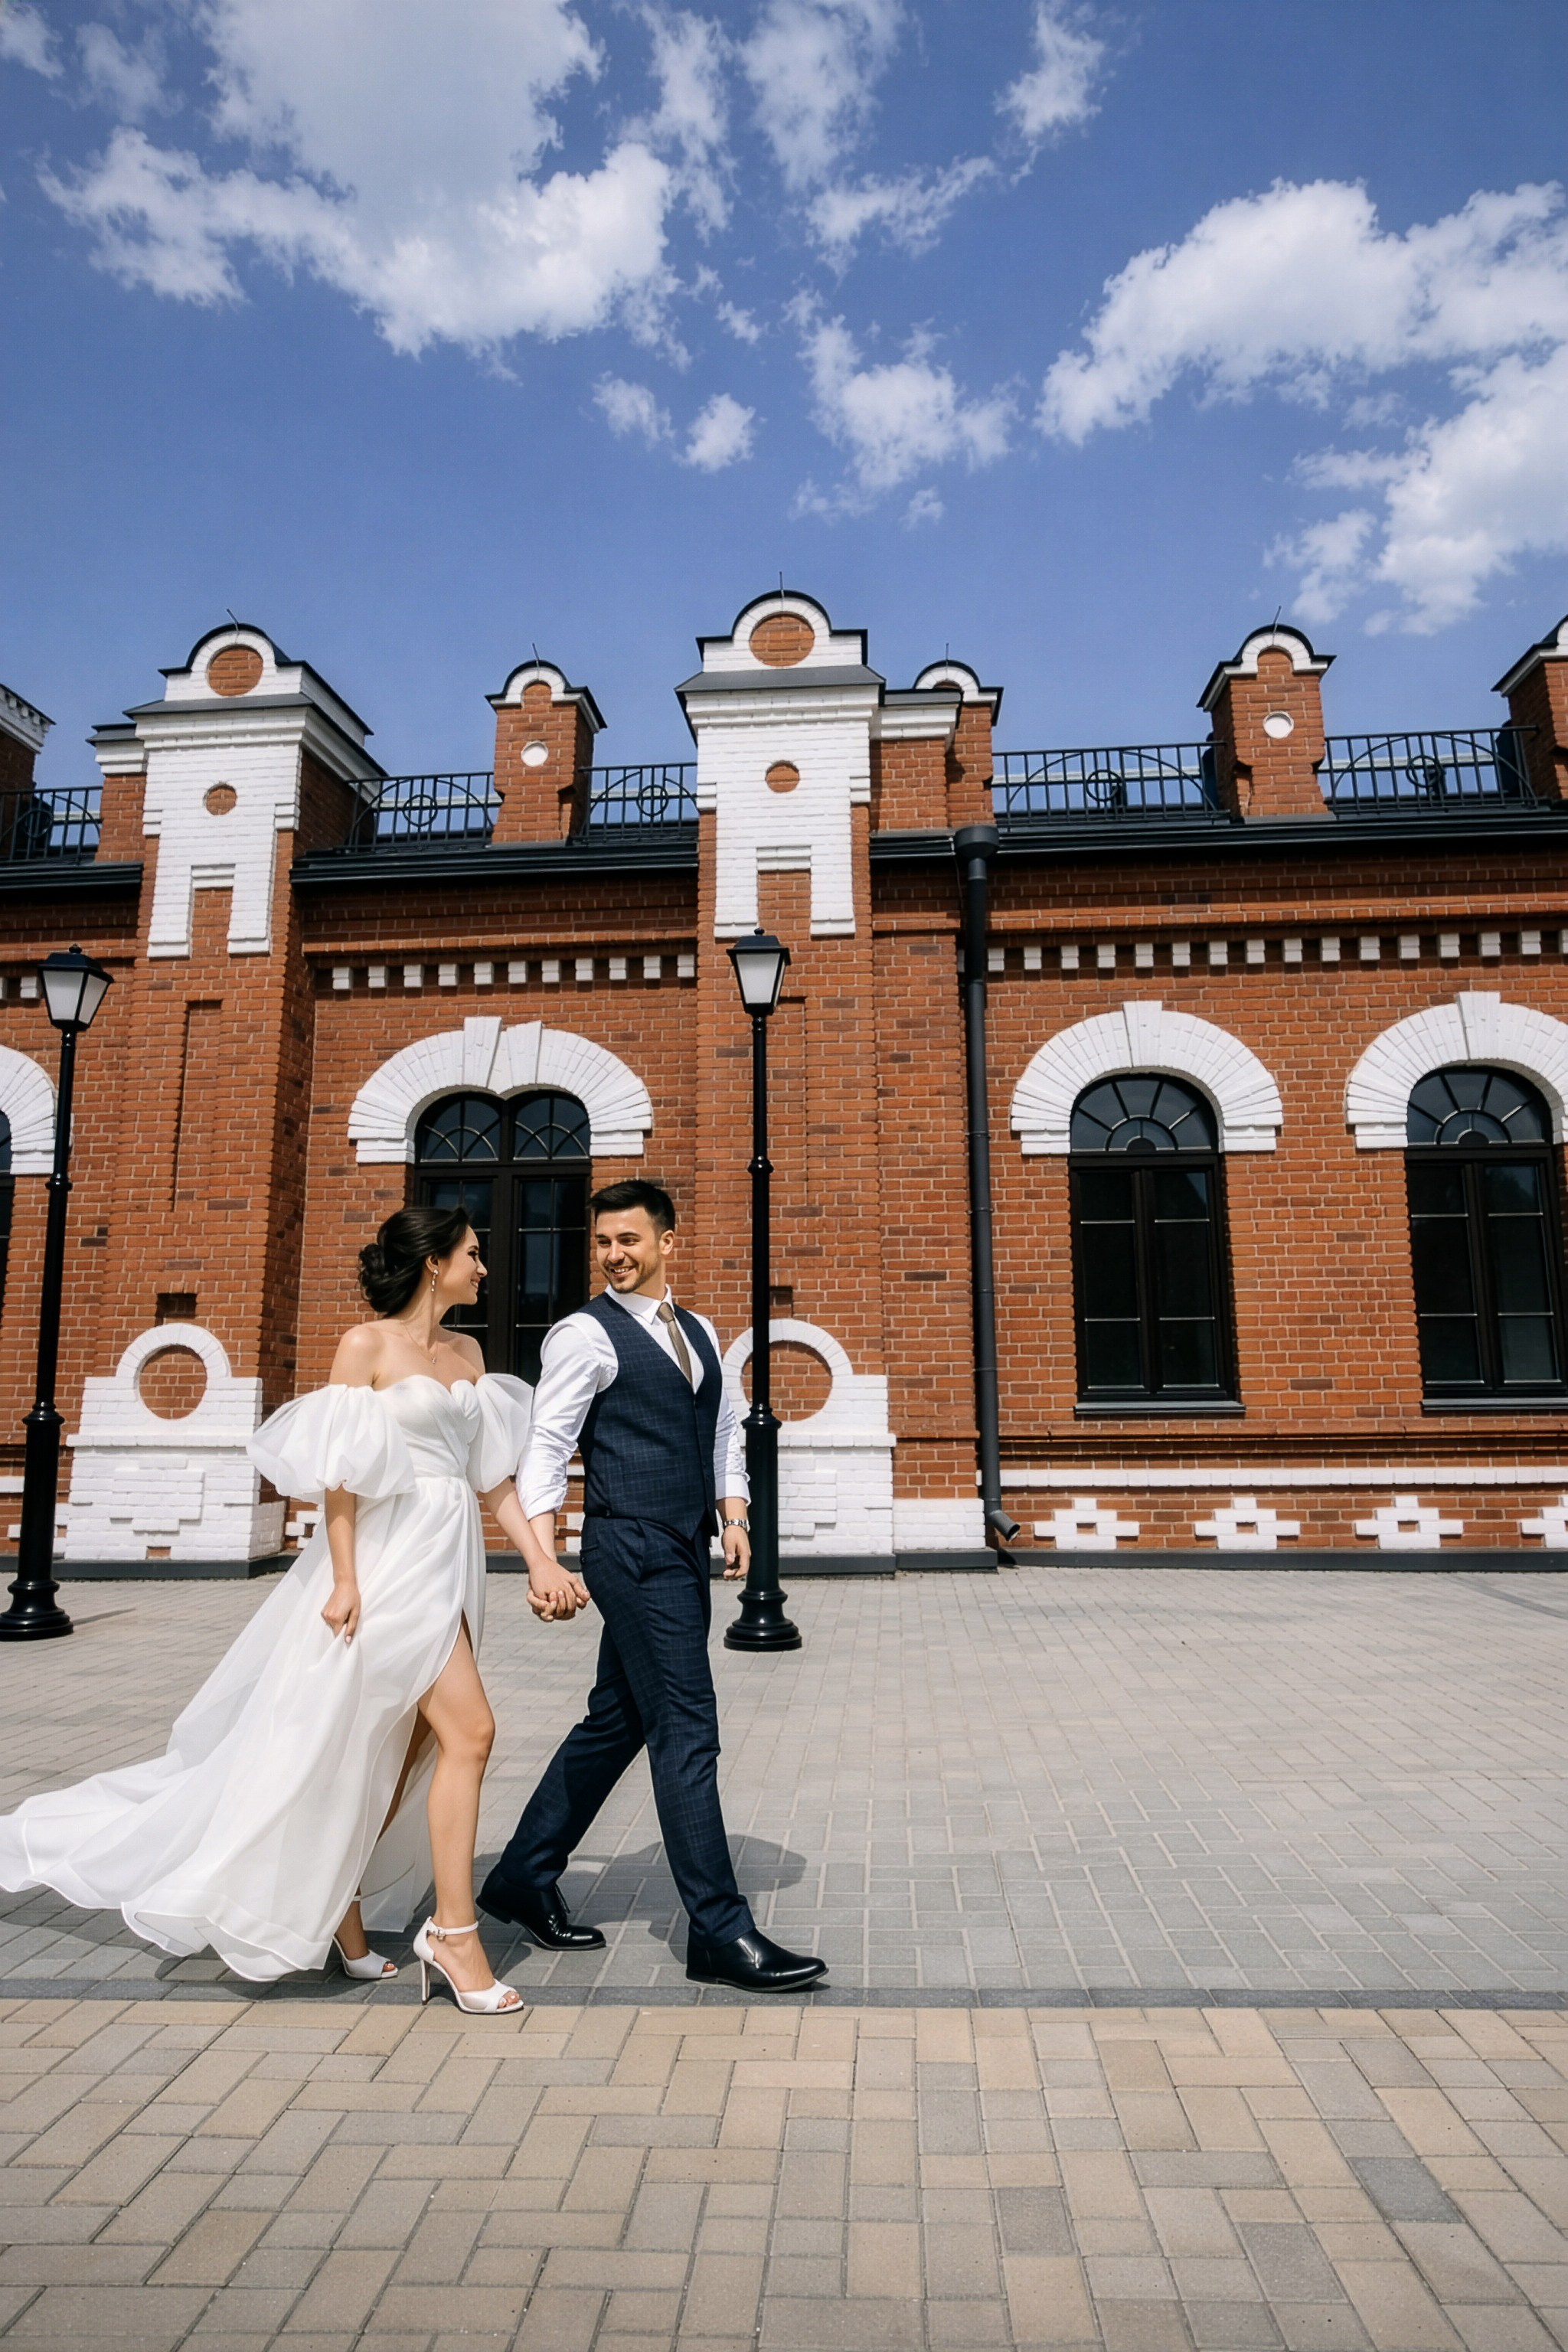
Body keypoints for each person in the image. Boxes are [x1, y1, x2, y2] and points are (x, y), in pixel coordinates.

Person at [0, 1205, 585, 2013]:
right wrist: (343, 1580)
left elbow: (492, 1482)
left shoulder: (469, 1352)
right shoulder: (363, 1346)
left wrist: (542, 1558)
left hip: (449, 1560)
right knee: (471, 1732)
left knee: (402, 1749)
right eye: (473, 1254)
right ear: (432, 1264)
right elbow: (338, 1477)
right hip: (388, 1564)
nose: (484, 1268)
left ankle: (342, 1911)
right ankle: (452, 1934)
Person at [480, 1178, 826, 1994]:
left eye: (628, 1241)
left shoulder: (699, 1329)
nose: (613, 1256)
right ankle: (718, 1930)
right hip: (627, 1546)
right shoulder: (582, 1336)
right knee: (685, 1726)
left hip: (681, 1543)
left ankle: (522, 1876)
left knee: (619, 1719)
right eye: (602, 1242)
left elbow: (722, 1433)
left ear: (668, 1242)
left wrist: (732, 1515)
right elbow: (545, 1449)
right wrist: (543, 1556)